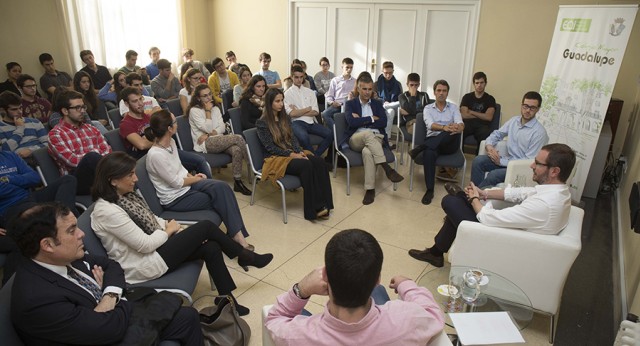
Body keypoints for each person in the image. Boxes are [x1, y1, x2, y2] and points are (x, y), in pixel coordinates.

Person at [91, 152, 273, 316]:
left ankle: (228, 300)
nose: (136, 178)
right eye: (130, 174)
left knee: (211, 246)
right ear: (112, 180)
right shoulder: (106, 211)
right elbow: (144, 244)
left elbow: (153, 219)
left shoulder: (125, 196)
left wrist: (174, 229)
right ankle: (244, 256)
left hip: (157, 248)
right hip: (143, 265)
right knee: (206, 227)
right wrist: (169, 231)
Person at [8, 202, 204, 344]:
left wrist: (108, 295)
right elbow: (108, 330)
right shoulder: (36, 299)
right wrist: (113, 297)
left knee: (188, 317)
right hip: (106, 336)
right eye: (71, 230)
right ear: (48, 245)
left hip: (112, 319)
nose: (81, 234)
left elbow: (111, 265)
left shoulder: (63, 255)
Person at [265, 228, 445, 345]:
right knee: (382, 294)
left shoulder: (298, 336)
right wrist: (406, 284)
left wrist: (301, 289)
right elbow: (432, 312)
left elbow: (274, 320)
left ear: (325, 275)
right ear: (377, 280)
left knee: (302, 313)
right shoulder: (408, 320)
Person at [409, 143, 576, 267]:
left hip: (499, 241)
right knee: (459, 207)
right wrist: (483, 193)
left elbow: (490, 218)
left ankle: (460, 200)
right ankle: (436, 253)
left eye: (538, 163)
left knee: (450, 202)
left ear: (554, 171)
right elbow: (521, 193)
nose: (532, 166)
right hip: (510, 234)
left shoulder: (543, 205)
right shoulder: (558, 192)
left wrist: (474, 198)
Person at [144, 109, 255, 249]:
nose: (177, 124)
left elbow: (180, 169)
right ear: (169, 129)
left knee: (222, 187)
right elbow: (176, 183)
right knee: (220, 199)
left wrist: (193, 177)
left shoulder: (171, 142)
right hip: (175, 198)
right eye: (175, 122)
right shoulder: (156, 155)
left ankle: (236, 235)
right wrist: (196, 179)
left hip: (187, 186)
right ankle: (238, 238)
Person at [257, 88, 334, 221]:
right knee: (306, 165)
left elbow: (293, 139)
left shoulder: (284, 117)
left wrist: (298, 151)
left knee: (319, 162)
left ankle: (325, 203)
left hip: (292, 153)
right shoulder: (262, 123)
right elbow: (270, 148)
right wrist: (292, 155)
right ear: (270, 103)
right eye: (277, 101)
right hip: (276, 158)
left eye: (282, 100)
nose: (281, 104)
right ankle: (313, 210)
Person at [341, 72, 404, 205]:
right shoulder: (351, 104)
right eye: (364, 89)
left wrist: (362, 120)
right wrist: (370, 119)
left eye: (370, 89)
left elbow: (383, 122)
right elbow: (352, 123)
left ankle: (370, 190)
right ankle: (387, 168)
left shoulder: (377, 104)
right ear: (358, 89)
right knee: (367, 133)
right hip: (356, 138)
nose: (367, 92)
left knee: (368, 152)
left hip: (377, 137)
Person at [470, 91, 548, 188]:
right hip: (507, 160)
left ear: (538, 109)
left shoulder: (539, 133)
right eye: (525, 106)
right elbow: (497, 134)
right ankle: (474, 193)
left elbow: (529, 161)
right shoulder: (514, 121)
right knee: (478, 161)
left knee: (494, 175)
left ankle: (474, 196)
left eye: (532, 108)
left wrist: (501, 162)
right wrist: (489, 147)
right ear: (521, 105)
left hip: (519, 168)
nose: (528, 110)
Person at [187, 84, 252, 195]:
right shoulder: (194, 111)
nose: (209, 98)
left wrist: (208, 134)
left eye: (210, 94)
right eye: (205, 96)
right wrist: (207, 112)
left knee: (236, 149)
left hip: (217, 140)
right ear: (198, 98)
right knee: (238, 137)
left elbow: (222, 128)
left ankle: (238, 182)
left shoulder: (216, 108)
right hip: (204, 144)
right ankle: (252, 164)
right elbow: (208, 127)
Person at [409, 79, 464, 205]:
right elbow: (430, 125)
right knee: (429, 153)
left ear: (447, 93)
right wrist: (444, 127)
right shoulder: (428, 108)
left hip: (450, 143)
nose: (441, 93)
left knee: (450, 132)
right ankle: (429, 190)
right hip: (433, 140)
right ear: (434, 92)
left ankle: (421, 147)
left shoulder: (454, 108)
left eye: (444, 91)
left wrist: (458, 127)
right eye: (439, 90)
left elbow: (460, 124)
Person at [48, 89, 111, 194]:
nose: (83, 111)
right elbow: (72, 161)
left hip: (100, 174)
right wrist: (95, 152)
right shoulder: (56, 134)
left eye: (83, 107)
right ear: (65, 111)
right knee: (91, 157)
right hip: (77, 182)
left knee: (123, 161)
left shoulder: (91, 128)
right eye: (78, 108)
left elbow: (107, 151)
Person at [285, 65, 333, 158]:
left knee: (330, 134)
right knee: (303, 137)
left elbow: (316, 112)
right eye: (296, 77)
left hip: (311, 122)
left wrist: (298, 111)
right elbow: (292, 114)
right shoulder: (287, 94)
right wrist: (307, 109)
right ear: (292, 77)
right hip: (296, 123)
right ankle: (315, 160)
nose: (299, 80)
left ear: (303, 77)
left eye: (301, 77)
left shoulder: (310, 92)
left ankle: (314, 158)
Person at [0, 91, 48, 159]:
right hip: (18, 162)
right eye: (14, 109)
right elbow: (5, 151)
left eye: (20, 108)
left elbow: (48, 144)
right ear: (3, 110)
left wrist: (31, 151)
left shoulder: (35, 122)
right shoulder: (1, 128)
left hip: (41, 158)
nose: (19, 112)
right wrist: (20, 129)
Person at [460, 71, 497, 154]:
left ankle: (478, 158)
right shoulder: (467, 97)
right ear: (474, 84)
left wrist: (471, 112)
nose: (479, 85)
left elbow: (488, 117)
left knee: (485, 133)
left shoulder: (490, 99)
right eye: (477, 83)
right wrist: (482, 115)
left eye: (481, 83)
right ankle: (459, 155)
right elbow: (463, 115)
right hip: (468, 124)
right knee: (458, 130)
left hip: (482, 126)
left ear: (485, 83)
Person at [322, 57, 355, 128]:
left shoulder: (355, 81)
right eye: (347, 67)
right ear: (342, 67)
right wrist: (332, 102)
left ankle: (339, 131)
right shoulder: (335, 80)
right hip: (338, 105)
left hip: (350, 106)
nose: (349, 70)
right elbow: (329, 95)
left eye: (351, 67)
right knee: (325, 114)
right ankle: (337, 130)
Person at [376, 61, 403, 137]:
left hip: (394, 106)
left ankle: (385, 138)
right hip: (381, 106)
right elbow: (374, 98)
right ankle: (386, 138)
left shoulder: (398, 84)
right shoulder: (377, 84)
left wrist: (390, 104)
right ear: (382, 71)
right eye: (386, 73)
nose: (388, 75)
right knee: (390, 111)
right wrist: (383, 102)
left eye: (390, 73)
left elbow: (401, 99)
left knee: (394, 107)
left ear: (393, 71)